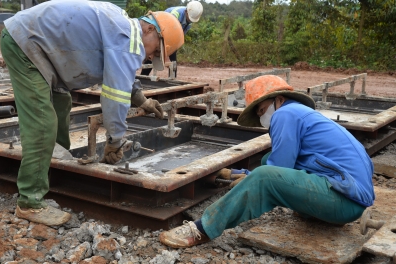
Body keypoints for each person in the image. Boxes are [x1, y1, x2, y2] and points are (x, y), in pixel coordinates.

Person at [0, 0, 184, 226]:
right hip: (26, 45)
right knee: (43, 123)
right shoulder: (127, 39)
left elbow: (119, 72)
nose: (148, 57)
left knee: (61, 104)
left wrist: (141, 100)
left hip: (45, 53)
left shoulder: (123, 29)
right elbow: (114, 97)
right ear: (149, 29)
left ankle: (55, 163)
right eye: (155, 50)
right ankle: (30, 202)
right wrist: (115, 141)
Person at [159, 75, 375, 248]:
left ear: (279, 99)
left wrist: (251, 180)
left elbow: (276, 172)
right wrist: (244, 175)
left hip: (344, 201)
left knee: (264, 176)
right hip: (349, 193)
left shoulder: (286, 114)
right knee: (264, 161)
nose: (263, 118)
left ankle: (202, 229)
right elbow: (281, 163)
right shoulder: (302, 113)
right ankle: (311, 211)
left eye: (262, 110)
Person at [140, 1, 203, 78]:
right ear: (186, 11)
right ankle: (142, 77)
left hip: (171, 39)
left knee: (173, 63)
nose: (190, 20)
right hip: (160, 36)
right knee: (151, 54)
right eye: (189, 18)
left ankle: (172, 80)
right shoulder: (175, 14)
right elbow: (167, 31)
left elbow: (180, 35)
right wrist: (165, 55)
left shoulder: (189, 21)